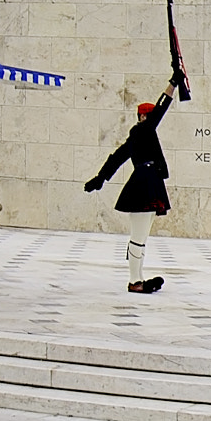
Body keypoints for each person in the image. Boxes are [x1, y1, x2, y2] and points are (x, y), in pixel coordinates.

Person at [84, 80, 178, 294]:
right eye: (148, 117)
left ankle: (138, 278)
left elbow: (116, 158)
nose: (150, 120)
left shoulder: (140, 135)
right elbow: (161, 110)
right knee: (138, 235)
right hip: (144, 186)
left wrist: (100, 178)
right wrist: (172, 85)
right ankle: (135, 281)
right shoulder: (142, 130)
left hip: (149, 183)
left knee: (141, 235)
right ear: (143, 117)